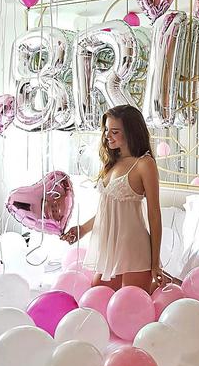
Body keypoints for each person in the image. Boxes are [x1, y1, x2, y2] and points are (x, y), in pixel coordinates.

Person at [61, 105, 164, 294]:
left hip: (134, 247)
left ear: (131, 132)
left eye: (115, 131)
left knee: (131, 308)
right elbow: (106, 210)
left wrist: (155, 262)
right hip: (109, 247)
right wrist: (82, 229)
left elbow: (155, 216)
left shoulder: (144, 164)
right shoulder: (111, 162)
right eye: (107, 130)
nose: (108, 135)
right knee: (97, 296)